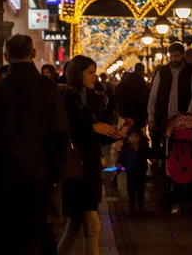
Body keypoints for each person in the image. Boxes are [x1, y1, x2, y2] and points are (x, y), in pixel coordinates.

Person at [0, 34, 70, 254]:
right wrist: (56, 173)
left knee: (7, 237)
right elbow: (59, 133)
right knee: (35, 235)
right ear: (33, 53)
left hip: (3, 176)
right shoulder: (48, 88)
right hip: (39, 175)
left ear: (6, 56)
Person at [58, 55, 123, 255]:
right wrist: (93, 127)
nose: (94, 77)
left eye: (94, 73)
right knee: (92, 225)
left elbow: (95, 137)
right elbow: (66, 132)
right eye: (90, 73)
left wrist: (116, 134)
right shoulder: (67, 99)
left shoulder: (93, 99)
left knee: (74, 227)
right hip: (77, 170)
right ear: (78, 74)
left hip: (91, 167)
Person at [147, 42, 192, 161]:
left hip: (183, 119)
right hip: (165, 118)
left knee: (182, 148)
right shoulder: (162, 72)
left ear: (182, 55)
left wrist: (189, 115)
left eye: (176, 56)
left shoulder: (191, 71)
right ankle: (167, 172)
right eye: (171, 56)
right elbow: (153, 96)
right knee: (166, 149)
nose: (173, 59)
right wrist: (151, 118)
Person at [116, 126, 150, 211]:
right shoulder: (126, 147)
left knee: (140, 188)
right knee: (131, 188)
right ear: (129, 138)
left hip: (141, 170)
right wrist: (119, 163)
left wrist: (153, 158)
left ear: (139, 137)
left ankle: (141, 204)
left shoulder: (143, 146)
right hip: (130, 170)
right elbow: (122, 157)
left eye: (136, 137)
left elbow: (148, 154)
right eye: (132, 137)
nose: (134, 139)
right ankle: (132, 204)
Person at [115, 63, 149, 129]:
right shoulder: (141, 80)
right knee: (138, 132)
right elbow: (144, 97)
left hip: (126, 111)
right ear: (142, 70)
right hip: (139, 112)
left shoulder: (126, 79)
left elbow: (118, 93)